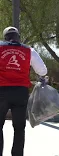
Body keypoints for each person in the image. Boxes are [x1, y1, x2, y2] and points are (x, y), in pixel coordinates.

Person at [0, 27, 47, 156]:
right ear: (18, 37)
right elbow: (42, 70)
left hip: (1, 91)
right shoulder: (29, 50)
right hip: (20, 92)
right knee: (19, 128)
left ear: (5, 37)